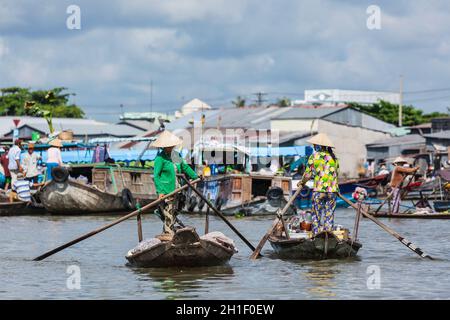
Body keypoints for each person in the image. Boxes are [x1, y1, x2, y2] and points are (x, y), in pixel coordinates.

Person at [152, 131, 199, 237]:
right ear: (164, 147)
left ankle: (169, 229)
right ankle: (168, 233)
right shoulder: (160, 158)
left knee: (175, 210)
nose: (171, 147)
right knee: (168, 210)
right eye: (169, 146)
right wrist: (160, 192)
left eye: (172, 145)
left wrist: (195, 176)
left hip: (177, 188)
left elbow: (185, 167)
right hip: (166, 189)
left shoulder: (175, 155)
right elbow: (156, 176)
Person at [298, 133, 339, 235]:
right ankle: (328, 235)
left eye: (315, 145)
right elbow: (335, 174)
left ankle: (316, 235)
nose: (314, 146)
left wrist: (301, 182)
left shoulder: (314, 156)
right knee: (329, 215)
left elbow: (307, 175)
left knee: (316, 215)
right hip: (332, 191)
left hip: (319, 190)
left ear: (319, 146)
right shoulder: (334, 158)